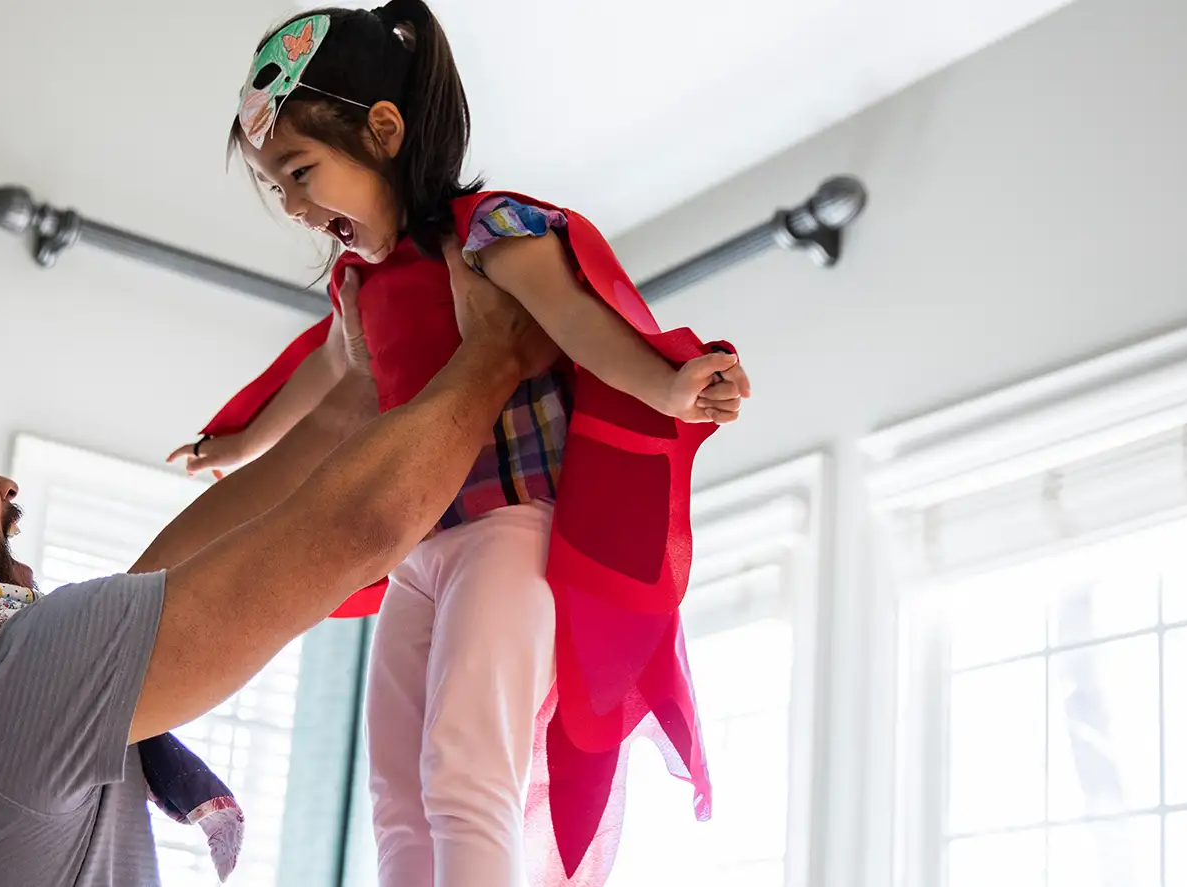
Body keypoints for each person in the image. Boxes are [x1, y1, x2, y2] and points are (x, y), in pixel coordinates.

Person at [0, 264, 560, 887]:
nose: (3, 484)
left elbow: (180, 574)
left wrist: (362, 390)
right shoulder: (0, 675)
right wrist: (494, 356)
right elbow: (356, 528)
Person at [169, 4, 753, 885]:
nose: (292, 205)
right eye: (276, 186)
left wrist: (669, 385)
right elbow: (324, 377)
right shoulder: (358, 284)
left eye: (300, 172)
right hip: (417, 548)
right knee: (397, 793)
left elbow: (580, 321)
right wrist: (243, 439)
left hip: (510, 530)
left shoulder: (489, 235)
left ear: (385, 131)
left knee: (469, 769)